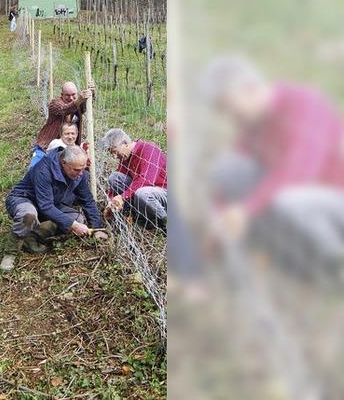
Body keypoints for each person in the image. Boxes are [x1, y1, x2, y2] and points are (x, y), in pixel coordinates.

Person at [202, 56, 344, 283]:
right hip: (302, 197)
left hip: (334, 196)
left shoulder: (304, 105)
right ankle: (275, 243)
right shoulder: (253, 121)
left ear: (249, 88)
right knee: (227, 169)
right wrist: (219, 215)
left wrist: (244, 211)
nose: (232, 117)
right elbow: (238, 161)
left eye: (231, 107)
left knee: (286, 199)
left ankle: (332, 262)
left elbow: (297, 173)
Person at [1, 146, 108, 272]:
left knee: (78, 219)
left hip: (50, 203)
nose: (81, 174)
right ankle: (10, 254)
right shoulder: (43, 170)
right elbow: (45, 206)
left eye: (83, 169)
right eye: (77, 170)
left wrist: (97, 228)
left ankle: (31, 236)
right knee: (28, 215)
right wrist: (72, 225)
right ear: (63, 163)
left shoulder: (79, 173)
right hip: (24, 200)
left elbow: (87, 201)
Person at [102, 128, 168, 231]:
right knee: (114, 178)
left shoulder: (148, 150)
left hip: (164, 192)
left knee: (142, 193)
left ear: (125, 143)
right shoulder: (126, 157)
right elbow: (119, 178)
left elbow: (147, 180)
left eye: (115, 151)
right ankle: (134, 215)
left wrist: (123, 197)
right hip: (147, 194)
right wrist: (112, 201)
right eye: (112, 153)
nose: (114, 157)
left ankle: (166, 223)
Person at [30, 81, 95, 168]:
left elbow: (87, 104)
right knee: (34, 170)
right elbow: (65, 109)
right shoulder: (55, 104)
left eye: (73, 95)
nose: (71, 98)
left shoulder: (78, 106)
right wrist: (78, 100)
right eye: (67, 95)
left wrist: (92, 92)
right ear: (62, 95)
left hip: (66, 150)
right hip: (45, 148)